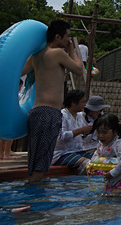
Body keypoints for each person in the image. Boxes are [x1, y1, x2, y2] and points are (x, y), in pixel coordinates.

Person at [20, 19, 85, 183]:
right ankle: (36, 205)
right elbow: (79, 69)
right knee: (41, 166)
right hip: (49, 113)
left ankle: (31, 197)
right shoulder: (58, 53)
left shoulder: (36, 57)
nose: (68, 40)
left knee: (34, 163)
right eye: (67, 37)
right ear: (57, 37)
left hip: (35, 112)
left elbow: (19, 71)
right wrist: (71, 50)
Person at [52, 90, 94, 173]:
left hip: (77, 151)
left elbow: (81, 134)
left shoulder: (80, 115)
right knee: (87, 163)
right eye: (82, 102)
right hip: (61, 154)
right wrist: (81, 130)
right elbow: (61, 136)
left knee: (98, 159)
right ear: (73, 103)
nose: (85, 105)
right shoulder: (62, 115)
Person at [91, 114, 121, 194]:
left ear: (115, 132)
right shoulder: (101, 144)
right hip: (110, 177)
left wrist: (113, 173)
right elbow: (96, 155)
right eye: (98, 132)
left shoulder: (118, 144)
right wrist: (93, 167)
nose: (100, 136)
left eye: (104, 132)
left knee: (115, 195)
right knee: (106, 195)